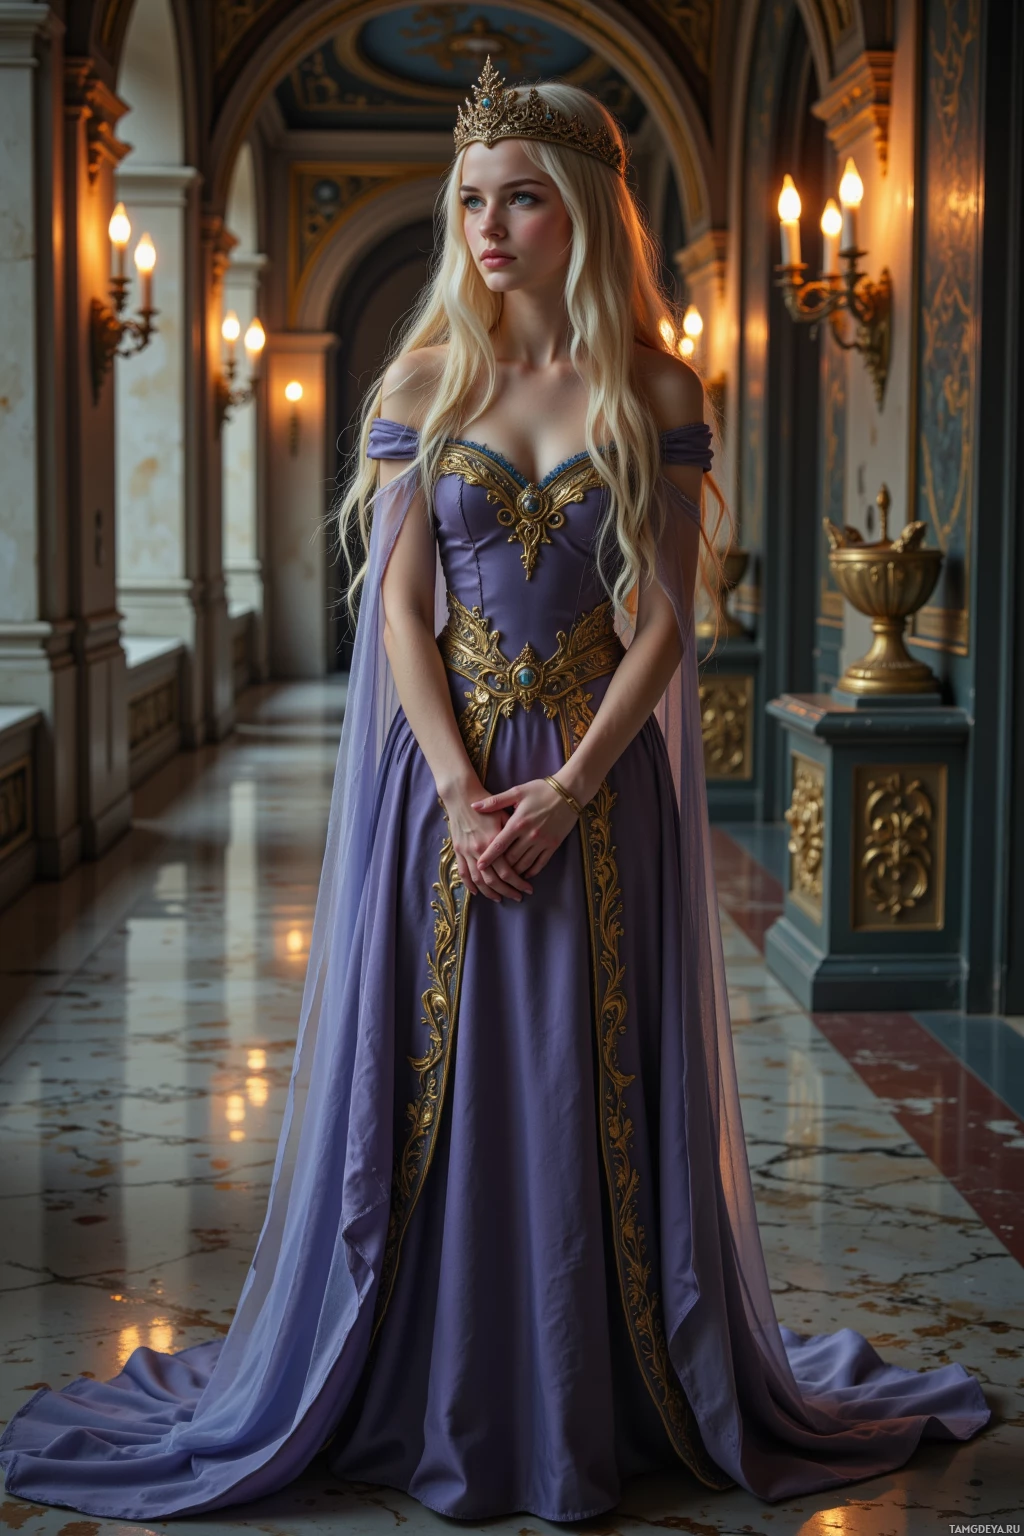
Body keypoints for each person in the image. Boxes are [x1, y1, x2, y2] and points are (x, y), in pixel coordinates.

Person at [0, 60, 989, 1524]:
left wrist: (577, 787)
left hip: (598, 797)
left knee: (589, 1075)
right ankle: (433, 1375)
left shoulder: (656, 384)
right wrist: (464, 793)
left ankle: (596, 1383)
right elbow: (399, 613)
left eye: (521, 197)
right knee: (435, 1077)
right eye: (471, 198)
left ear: (583, 209)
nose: (490, 226)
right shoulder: (425, 379)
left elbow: (666, 621)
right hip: (442, 787)